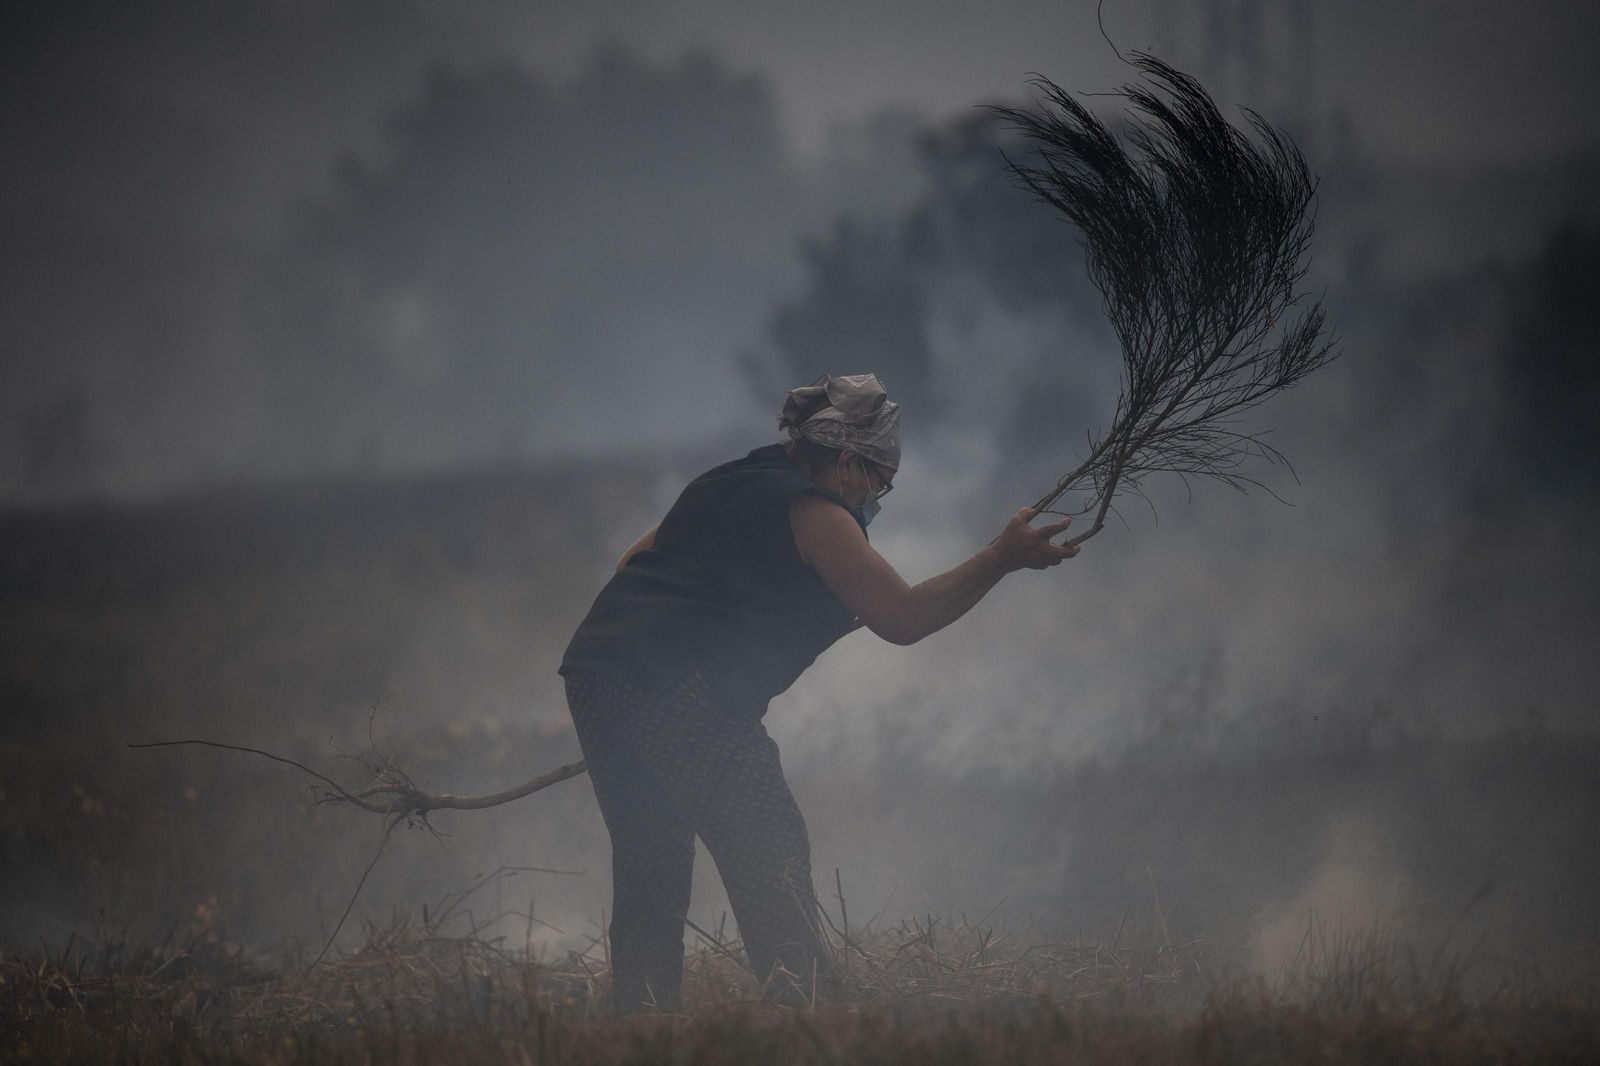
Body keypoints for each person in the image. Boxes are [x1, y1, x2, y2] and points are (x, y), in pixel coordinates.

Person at [558, 373, 1079, 1012]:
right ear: (849, 461)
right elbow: (904, 616)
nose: (876, 498)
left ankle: (636, 1024)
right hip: (675, 688)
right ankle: (811, 1020)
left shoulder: (725, 480)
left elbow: (630, 566)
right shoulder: (818, 512)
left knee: (650, 862)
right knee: (769, 849)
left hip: (598, 671)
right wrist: (1001, 555)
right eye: (879, 482)